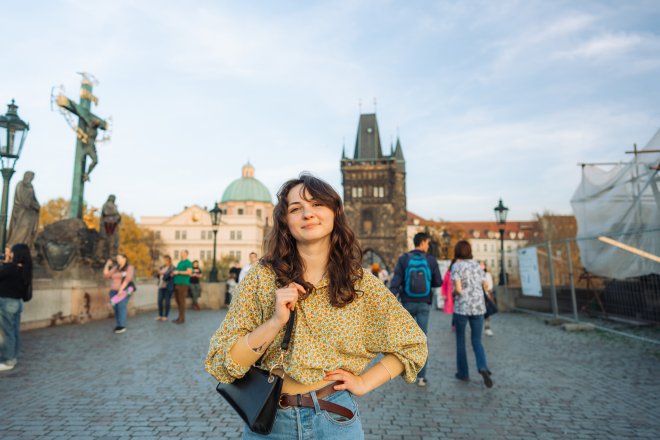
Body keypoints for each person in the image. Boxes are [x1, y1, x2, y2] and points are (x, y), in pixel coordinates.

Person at [205, 173, 427, 439]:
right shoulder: (261, 278)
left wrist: (365, 381)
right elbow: (221, 362)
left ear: (335, 213)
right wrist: (274, 322)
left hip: (336, 420)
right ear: (286, 222)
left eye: (317, 204)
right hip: (271, 422)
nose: (307, 213)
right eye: (296, 208)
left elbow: (413, 344)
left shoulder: (360, 284)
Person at [389, 232, 442, 387]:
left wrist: (390, 302)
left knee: (406, 339)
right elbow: (438, 282)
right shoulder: (431, 260)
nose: (428, 245)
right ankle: (421, 377)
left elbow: (396, 282)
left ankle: (404, 370)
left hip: (407, 302)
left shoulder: (404, 259)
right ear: (423, 242)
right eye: (428, 243)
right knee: (422, 339)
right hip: (424, 303)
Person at [451, 240, 493, 388]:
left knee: (461, 341)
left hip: (462, 308)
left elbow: (458, 289)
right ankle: (482, 366)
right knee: (476, 340)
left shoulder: (457, 266)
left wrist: (454, 292)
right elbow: (485, 285)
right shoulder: (477, 265)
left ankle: (463, 373)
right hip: (478, 307)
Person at [0, 244, 33, 371]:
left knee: (5, 333)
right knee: (14, 331)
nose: (10, 254)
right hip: (17, 303)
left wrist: (5, 264)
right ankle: (13, 357)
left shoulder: (11, 268)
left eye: (12, 252)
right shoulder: (25, 268)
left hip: (6, 303)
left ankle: (8, 360)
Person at [103, 253, 135, 334]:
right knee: (116, 308)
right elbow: (106, 275)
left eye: (119, 258)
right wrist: (107, 265)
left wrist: (121, 289)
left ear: (124, 258)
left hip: (124, 290)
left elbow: (128, 279)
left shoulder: (129, 267)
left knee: (121, 306)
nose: (118, 260)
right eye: (117, 258)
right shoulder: (116, 268)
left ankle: (121, 326)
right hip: (113, 291)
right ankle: (118, 325)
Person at [7, 171, 40, 249]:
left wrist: (37, 205)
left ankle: (25, 246)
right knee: (22, 229)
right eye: (31, 177)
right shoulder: (20, 185)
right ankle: (14, 246)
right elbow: (23, 200)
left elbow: (33, 198)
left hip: (30, 212)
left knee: (28, 230)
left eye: (33, 178)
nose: (32, 179)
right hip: (22, 212)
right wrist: (33, 205)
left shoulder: (31, 186)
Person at [172, 250, 193, 324]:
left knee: (182, 301)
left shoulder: (188, 263)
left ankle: (182, 318)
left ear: (186, 254)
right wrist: (174, 273)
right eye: (181, 253)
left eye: (183, 253)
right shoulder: (180, 262)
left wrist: (178, 272)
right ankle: (179, 317)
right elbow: (178, 271)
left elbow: (189, 272)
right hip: (177, 283)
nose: (181, 255)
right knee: (178, 301)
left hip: (183, 284)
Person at [156, 255, 175, 321]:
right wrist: (158, 274)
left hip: (168, 286)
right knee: (159, 300)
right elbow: (158, 275)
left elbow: (170, 276)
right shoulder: (162, 267)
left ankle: (165, 316)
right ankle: (160, 315)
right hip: (161, 285)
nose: (164, 261)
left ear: (169, 260)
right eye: (164, 260)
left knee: (167, 301)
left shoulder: (172, 268)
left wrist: (162, 274)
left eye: (165, 260)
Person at [481, 261, 495, 336]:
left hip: (486, 295)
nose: (481, 266)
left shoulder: (487, 275)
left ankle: (487, 328)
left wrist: (486, 288)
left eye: (482, 265)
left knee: (487, 313)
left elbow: (490, 286)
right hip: (478, 297)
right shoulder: (475, 274)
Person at [441, 259, 456, 329]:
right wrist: (444, 294)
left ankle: (455, 324)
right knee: (455, 310)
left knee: (457, 310)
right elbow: (444, 284)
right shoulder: (448, 273)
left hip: (459, 295)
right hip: (451, 295)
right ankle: (454, 324)